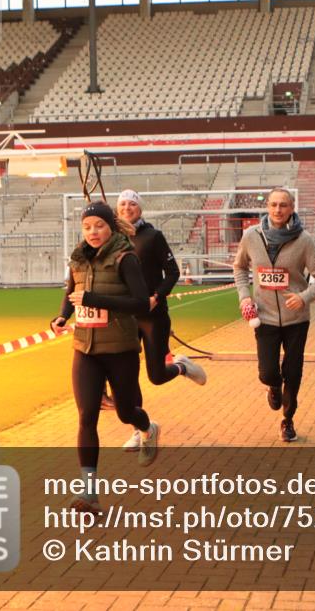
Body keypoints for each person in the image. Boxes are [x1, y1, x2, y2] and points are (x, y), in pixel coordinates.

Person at [50, 201, 158, 515]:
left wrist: (94, 299)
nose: (93, 232)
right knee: (86, 417)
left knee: (126, 411)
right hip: (85, 349)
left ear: (110, 226)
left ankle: (147, 427)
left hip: (120, 349)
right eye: (87, 227)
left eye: (99, 225)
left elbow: (139, 303)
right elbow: (72, 292)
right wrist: (61, 317)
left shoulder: (126, 258)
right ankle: (88, 493)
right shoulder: (78, 258)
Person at [115, 189, 206, 453]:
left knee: (155, 376)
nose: (127, 208)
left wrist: (157, 296)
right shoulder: (114, 239)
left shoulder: (153, 237)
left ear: (140, 209)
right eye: (122, 204)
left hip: (153, 316)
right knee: (128, 377)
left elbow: (173, 272)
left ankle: (182, 367)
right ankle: (139, 429)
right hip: (126, 318)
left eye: (132, 204)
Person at [233, 188, 315, 442]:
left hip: (297, 319)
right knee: (268, 372)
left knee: (293, 372)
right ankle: (273, 386)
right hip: (264, 317)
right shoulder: (251, 236)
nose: (278, 210)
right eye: (273, 205)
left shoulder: (304, 240)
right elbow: (239, 267)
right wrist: (244, 295)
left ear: (292, 207)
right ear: (267, 207)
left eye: (283, 205)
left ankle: (288, 420)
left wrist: (304, 297)